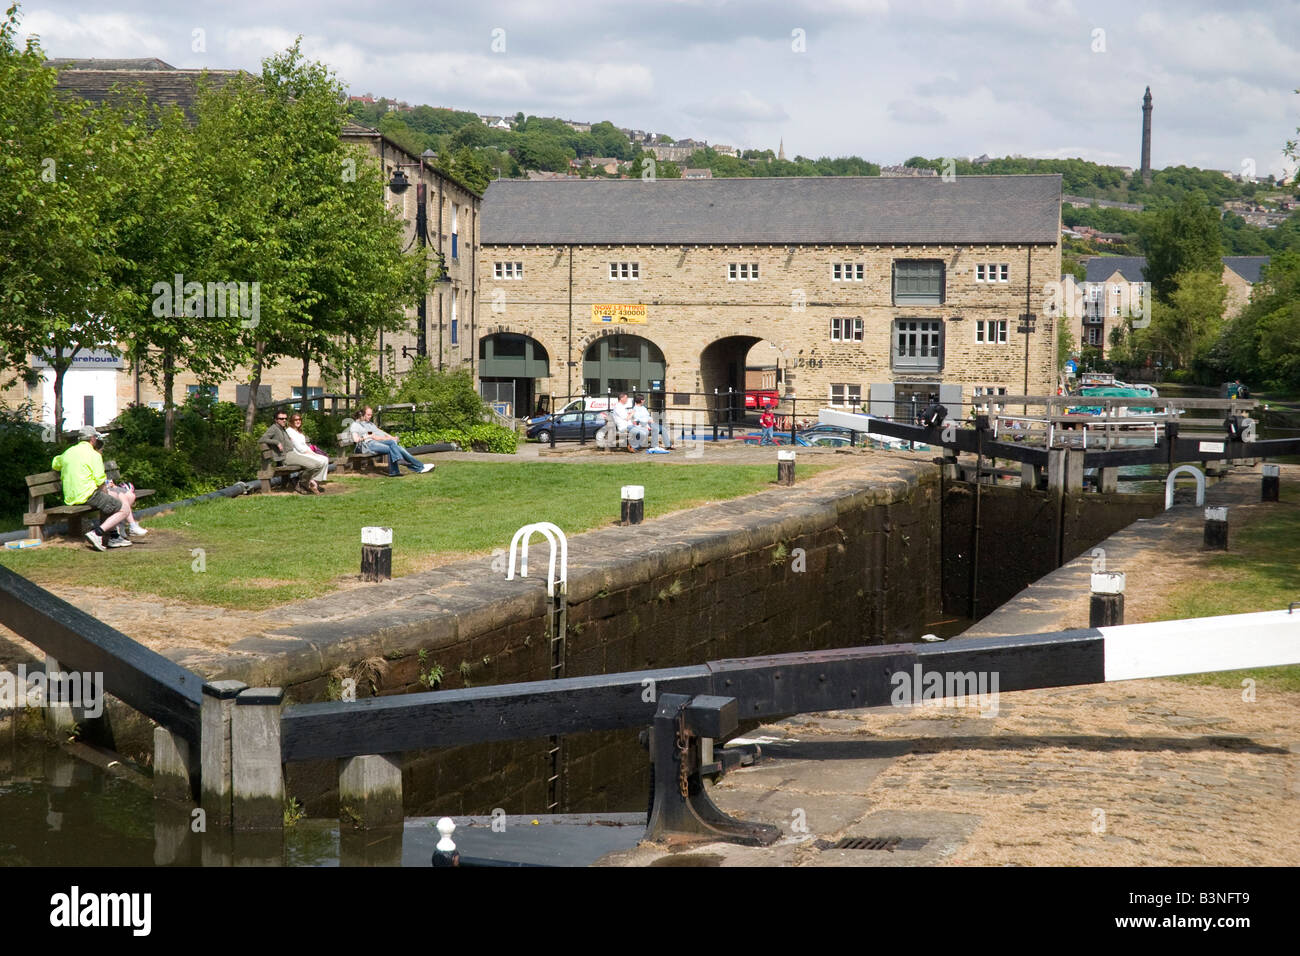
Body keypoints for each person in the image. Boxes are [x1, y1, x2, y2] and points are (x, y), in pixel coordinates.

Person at [52, 426, 146, 552]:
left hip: (70, 497)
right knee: (123, 509)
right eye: (95, 437)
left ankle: (114, 537)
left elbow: (55, 464)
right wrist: (107, 496)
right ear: (92, 439)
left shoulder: (68, 452)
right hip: (88, 494)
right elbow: (100, 480)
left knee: (112, 502)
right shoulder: (94, 455)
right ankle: (97, 533)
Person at [348, 406, 435, 477]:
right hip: (367, 445)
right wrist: (366, 437)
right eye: (368, 415)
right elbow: (356, 439)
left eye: (371, 415)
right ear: (362, 414)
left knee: (394, 445)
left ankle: (397, 467)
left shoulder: (369, 424)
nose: (370, 417)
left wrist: (391, 437)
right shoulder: (355, 425)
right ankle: (418, 467)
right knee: (393, 448)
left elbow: (379, 432)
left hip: (375, 443)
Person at [285, 413, 329, 494]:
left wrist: (314, 453)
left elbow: (305, 446)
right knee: (320, 461)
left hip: (307, 452)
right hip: (299, 454)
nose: (298, 421)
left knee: (325, 459)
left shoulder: (299, 431)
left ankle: (315, 482)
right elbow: (299, 448)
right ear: (291, 421)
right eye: (296, 420)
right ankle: (309, 483)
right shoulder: (289, 431)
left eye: (299, 420)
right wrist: (312, 454)